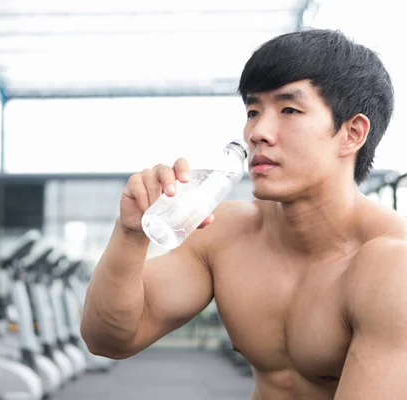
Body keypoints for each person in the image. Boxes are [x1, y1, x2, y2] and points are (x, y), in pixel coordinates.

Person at [80, 28, 405, 399]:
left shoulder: (392, 267)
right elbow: (108, 338)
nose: (258, 132)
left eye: (289, 110)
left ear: (351, 133)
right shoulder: (226, 234)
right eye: (253, 111)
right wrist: (130, 234)